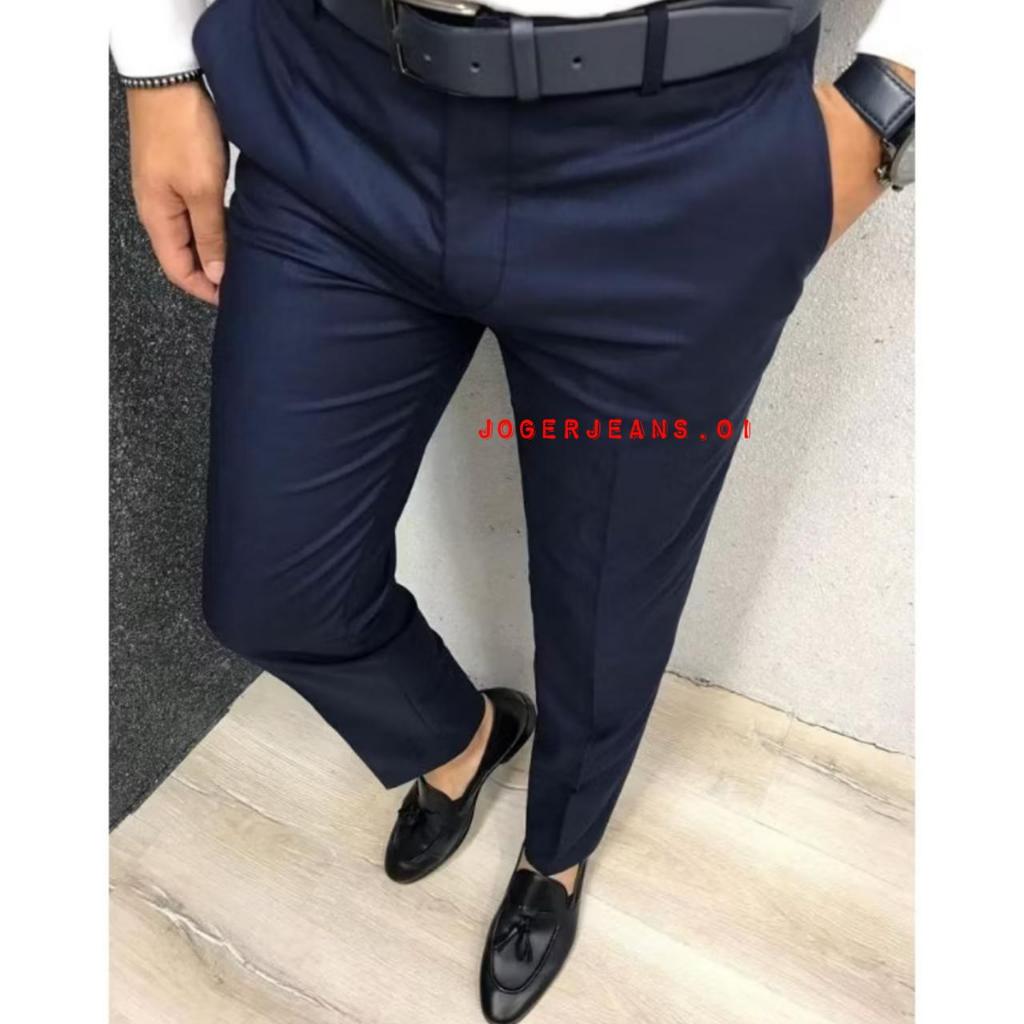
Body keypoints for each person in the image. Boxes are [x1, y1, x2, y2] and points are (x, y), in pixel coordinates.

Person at [110, 1, 915, 1019]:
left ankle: (557, 852)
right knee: (271, 589)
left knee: (607, 606)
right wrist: (152, 58)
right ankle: (460, 734)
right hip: (336, 110)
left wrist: (891, 98)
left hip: (678, 155)